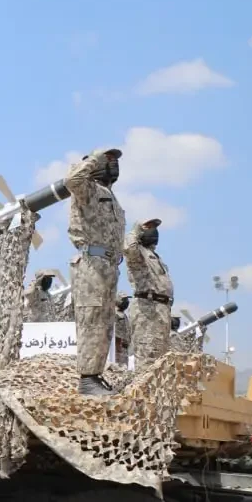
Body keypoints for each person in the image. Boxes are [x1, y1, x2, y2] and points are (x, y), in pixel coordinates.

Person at [65, 148, 124, 396]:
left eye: (115, 161)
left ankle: (95, 375)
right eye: (108, 160)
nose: (113, 164)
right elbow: (71, 180)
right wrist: (93, 158)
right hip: (91, 263)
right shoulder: (87, 189)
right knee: (91, 319)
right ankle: (87, 378)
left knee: (104, 323)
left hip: (108, 266)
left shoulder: (110, 196)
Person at [123, 219, 173, 364]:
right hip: (147, 309)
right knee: (147, 357)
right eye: (148, 227)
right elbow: (128, 248)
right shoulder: (138, 253)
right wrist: (134, 231)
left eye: (154, 227)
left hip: (161, 310)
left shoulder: (154, 256)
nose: (153, 230)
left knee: (160, 359)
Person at [113, 293, 131, 365]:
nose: (127, 301)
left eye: (127, 299)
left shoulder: (123, 314)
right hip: (117, 349)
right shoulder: (114, 314)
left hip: (124, 349)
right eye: (124, 299)